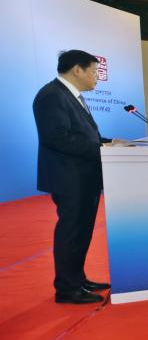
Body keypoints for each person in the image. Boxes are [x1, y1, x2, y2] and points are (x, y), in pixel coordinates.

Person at [32, 50, 112, 304]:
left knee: (82, 231)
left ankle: (78, 279)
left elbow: (86, 137)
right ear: (77, 69)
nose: (96, 78)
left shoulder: (71, 96)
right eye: (94, 71)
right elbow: (56, 137)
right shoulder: (52, 96)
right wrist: (101, 149)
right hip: (69, 177)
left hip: (83, 177)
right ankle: (67, 288)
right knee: (72, 231)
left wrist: (110, 143)